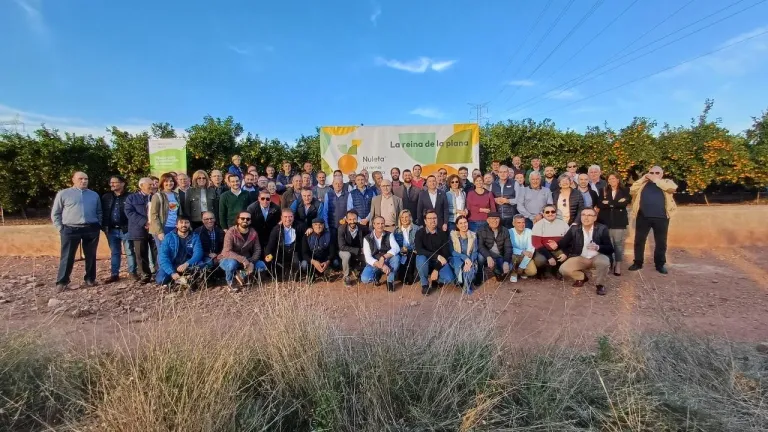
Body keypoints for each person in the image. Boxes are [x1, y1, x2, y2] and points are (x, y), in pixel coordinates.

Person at [51, 171, 102, 291]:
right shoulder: (63, 194)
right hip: (70, 229)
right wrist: (60, 228)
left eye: (86, 179)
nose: (84, 181)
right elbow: (56, 213)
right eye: (80, 179)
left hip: (91, 228)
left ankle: (90, 279)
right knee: (67, 256)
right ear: (73, 180)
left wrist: (98, 224)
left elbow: (99, 211)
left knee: (91, 255)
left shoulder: (94, 195)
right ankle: (62, 281)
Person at [548, 208, 613, 295]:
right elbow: (564, 242)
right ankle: (582, 277)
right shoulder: (574, 228)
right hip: (581, 257)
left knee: (604, 262)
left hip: (597, 256)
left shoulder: (602, 228)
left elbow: (610, 248)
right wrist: (556, 245)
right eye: (583, 215)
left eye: (589, 215)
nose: (586, 218)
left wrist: (598, 247)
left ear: (595, 218)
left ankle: (600, 285)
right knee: (563, 269)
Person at [629, 166, 677, 274]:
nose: (654, 174)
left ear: (661, 174)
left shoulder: (667, 182)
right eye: (651, 172)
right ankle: (638, 263)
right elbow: (632, 190)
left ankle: (660, 264)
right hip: (643, 216)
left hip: (661, 217)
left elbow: (672, 189)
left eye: (657, 173)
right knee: (639, 240)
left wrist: (656, 181)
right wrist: (643, 178)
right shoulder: (643, 183)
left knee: (661, 242)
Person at [219, 211, 268, 290]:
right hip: (228, 259)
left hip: (246, 260)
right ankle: (230, 282)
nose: (245, 220)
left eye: (248, 219)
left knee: (261, 265)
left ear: (250, 221)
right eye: (242, 218)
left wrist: (251, 262)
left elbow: (257, 249)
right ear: (238, 220)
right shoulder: (231, 232)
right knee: (232, 264)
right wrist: (243, 260)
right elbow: (227, 251)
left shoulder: (253, 233)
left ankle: (241, 275)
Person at [101, 175, 136, 283]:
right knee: (115, 252)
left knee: (129, 251)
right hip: (111, 230)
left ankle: (133, 273)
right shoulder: (106, 197)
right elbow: (102, 212)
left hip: (126, 229)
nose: (112, 184)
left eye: (115, 182)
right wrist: (103, 226)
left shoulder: (130, 196)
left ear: (122, 183)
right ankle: (114, 274)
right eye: (110, 182)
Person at [155, 216, 205, 288]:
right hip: (172, 265)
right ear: (176, 225)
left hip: (188, 265)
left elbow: (198, 253)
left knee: (202, 265)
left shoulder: (195, 237)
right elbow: (163, 257)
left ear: (190, 224)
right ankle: (180, 281)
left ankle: (184, 281)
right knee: (160, 279)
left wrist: (187, 263)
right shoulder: (168, 237)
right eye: (181, 223)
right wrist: (172, 272)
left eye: (186, 222)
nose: (184, 225)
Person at [597, 172, 631, 276]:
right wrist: (617, 203)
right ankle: (608, 263)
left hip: (619, 221)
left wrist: (609, 203)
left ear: (618, 179)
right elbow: (600, 204)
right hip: (605, 221)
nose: (612, 181)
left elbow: (625, 203)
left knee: (618, 244)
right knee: (605, 243)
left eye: (613, 178)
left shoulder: (625, 190)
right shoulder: (603, 190)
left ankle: (618, 265)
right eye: (609, 179)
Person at [414, 209, 454, 296]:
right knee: (420, 258)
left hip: (438, 262)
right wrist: (437, 256)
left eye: (434, 218)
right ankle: (425, 284)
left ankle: (435, 279)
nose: (433, 220)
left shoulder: (442, 233)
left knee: (449, 278)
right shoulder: (419, 233)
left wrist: (436, 269)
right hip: (425, 260)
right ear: (425, 221)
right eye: (430, 218)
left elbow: (445, 253)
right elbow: (419, 250)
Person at [125, 177, 156, 284]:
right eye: (149, 184)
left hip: (155, 229)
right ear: (141, 186)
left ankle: (158, 273)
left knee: (156, 252)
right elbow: (129, 212)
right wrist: (144, 222)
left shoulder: (156, 196)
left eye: (153, 184)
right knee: (141, 253)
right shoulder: (132, 198)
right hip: (138, 229)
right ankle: (145, 274)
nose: (152, 186)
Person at [361, 216, 401, 292]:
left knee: (396, 258)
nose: (380, 225)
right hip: (375, 262)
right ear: (373, 225)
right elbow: (368, 257)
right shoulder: (367, 238)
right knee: (365, 279)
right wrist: (381, 265)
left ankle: (390, 281)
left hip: (387, 260)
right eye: (378, 223)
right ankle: (377, 275)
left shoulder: (389, 235)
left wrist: (383, 257)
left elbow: (396, 248)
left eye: (382, 223)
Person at [531, 204, 569, 279]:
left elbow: (568, 240)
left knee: (566, 257)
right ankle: (541, 271)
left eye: (553, 211)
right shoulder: (538, 225)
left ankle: (555, 270)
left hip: (558, 248)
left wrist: (565, 252)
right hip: (543, 250)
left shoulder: (563, 224)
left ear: (556, 213)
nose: (550, 214)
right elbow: (536, 243)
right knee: (539, 261)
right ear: (543, 214)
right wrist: (549, 257)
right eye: (547, 212)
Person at [264, 209, 302, 281]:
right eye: (285, 217)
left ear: (293, 217)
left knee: (296, 263)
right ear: (281, 218)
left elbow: (306, 230)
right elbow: (271, 244)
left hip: (294, 251)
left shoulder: (299, 226)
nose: (288, 219)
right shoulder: (276, 229)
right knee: (278, 275)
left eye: (290, 216)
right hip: (281, 252)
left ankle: (295, 273)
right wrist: (268, 254)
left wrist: (309, 229)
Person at [477, 212, 513, 282]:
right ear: (488, 220)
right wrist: (488, 256)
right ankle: (479, 275)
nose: (495, 221)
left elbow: (508, 247)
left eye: (497, 218)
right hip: (488, 254)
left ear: (500, 220)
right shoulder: (481, 230)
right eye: (492, 218)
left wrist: (506, 261)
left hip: (499, 255)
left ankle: (496, 270)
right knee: (480, 257)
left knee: (509, 267)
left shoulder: (505, 230)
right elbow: (480, 246)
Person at [149, 172, 182, 248]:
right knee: (163, 251)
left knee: (174, 250)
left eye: (171, 181)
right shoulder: (157, 196)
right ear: (162, 183)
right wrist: (159, 231)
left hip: (174, 227)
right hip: (163, 227)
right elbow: (154, 215)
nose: (169, 183)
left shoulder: (176, 195)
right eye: (166, 181)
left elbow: (176, 212)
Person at [337, 210, 369, 286]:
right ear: (347, 220)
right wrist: (359, 250)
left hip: (358, 251)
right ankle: (346, 276)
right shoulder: (341, 229)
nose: (352, 221)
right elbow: (342, 246)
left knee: (368, 255)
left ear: (357, 219)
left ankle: (360, 271)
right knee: (347, 255)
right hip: (344, 251)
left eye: (354, 219)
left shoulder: (362, 228)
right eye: (350, 219)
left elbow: (370, 237)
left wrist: (365, 249)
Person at [450, 215, 479, 294]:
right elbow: (451, 251)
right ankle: (459, 281)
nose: (463, 225)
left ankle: (466, 286)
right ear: (457, 225)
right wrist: (464, 257)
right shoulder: (452, 235)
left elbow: (475, 251)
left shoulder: (473, 235)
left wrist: (469, 261)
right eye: (461, 223)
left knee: (469, 270)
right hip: (456, 258)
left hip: (469, 259)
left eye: (465, 222)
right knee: (459, 267)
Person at [393, 209, 420, 285]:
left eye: (406, 217)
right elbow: (395, 244)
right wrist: (402, 249)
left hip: (413, 251)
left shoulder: (416, 228)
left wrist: (408, 248)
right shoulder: (396, 230)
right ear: (400, 219)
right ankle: (402, 276)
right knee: (402, 257)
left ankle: (409, 276)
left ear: (410, 217)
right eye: (402, 217)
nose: (404, 219)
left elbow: (417, 244)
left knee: (410, 256)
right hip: (401, 251)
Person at [508, 214, 537, 282]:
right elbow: (509, 248)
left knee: (532, 272)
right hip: (514, 256)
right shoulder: (509, 232)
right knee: (512, 255)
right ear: (513, 223)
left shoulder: (529, 231)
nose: (521, 225)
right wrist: (522, 251)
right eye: (518, 222)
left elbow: (530, 250)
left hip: (526, 256)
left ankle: (521, 272)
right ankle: (514, 273)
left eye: (523, 222)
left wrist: (522, 266)